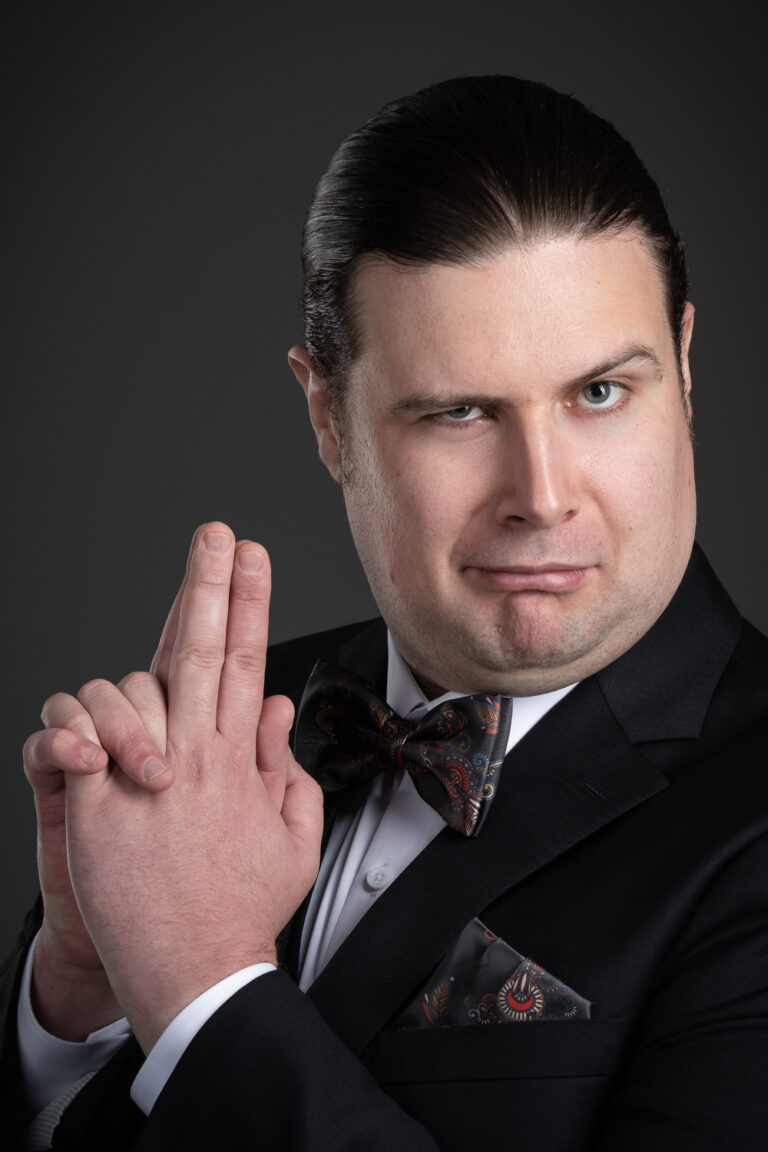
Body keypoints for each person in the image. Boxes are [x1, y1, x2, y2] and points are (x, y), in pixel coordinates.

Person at [1, 74, 767, 1151]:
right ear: (328, 416)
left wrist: (202, 985)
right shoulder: (234, 729)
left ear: (682, 370)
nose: (543, 495)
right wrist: (81, 999)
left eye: (599, 393)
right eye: (459, 411)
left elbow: (208, 1016)